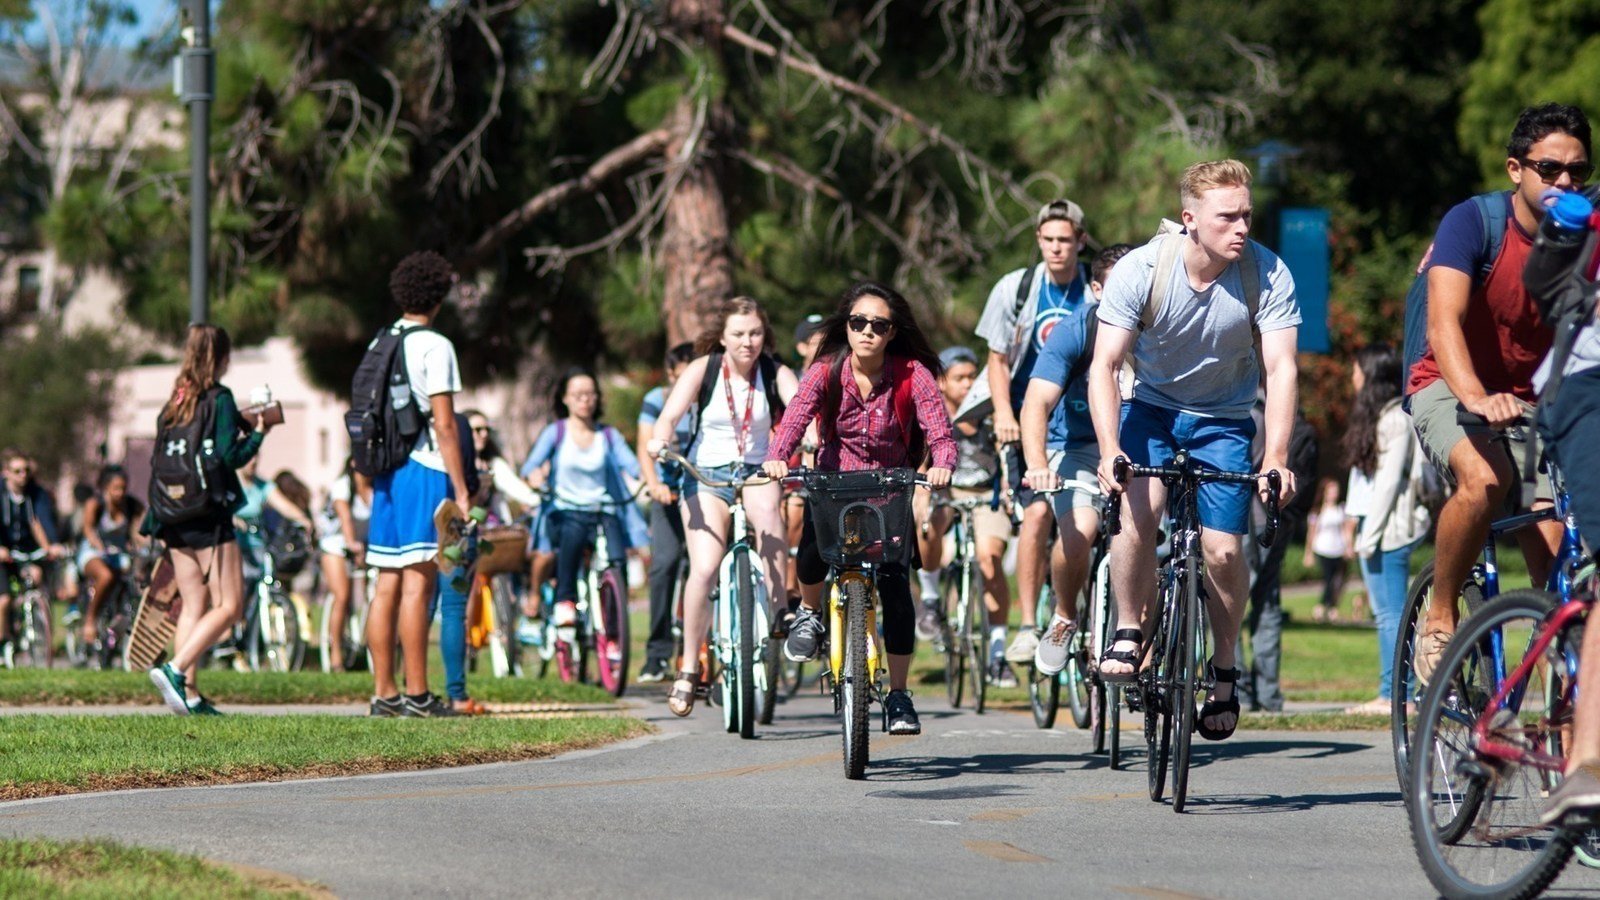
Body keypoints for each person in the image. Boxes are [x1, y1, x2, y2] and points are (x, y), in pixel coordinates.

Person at [1089, 159, 1301, 742]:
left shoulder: (1267, 273)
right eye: (1227, 217)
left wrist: (1276, 456)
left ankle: (1224, 667)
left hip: (1225, 419)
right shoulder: (1141, 270)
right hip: (1151, 408)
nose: (1242, 228)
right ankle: (1128, 630)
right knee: (1139, 513)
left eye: (1247, 215)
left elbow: (1282, 368)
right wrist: (1109, 449)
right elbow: (1105, 365)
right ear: (1189, 219)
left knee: (1224, 551)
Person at [1407, 104, 1590, 681]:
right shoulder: (1472, 223)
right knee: (1487, 479)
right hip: (1448, 381)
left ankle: (1560, 702)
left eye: (1579, 171)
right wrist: (1477, 398)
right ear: (1516, 169)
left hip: (1537, 400)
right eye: (1550, 169)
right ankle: (1440, 616)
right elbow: (1444, 324)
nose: (1565, 182)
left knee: (1562, 554)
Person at [765, 281, 956, 735]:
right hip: (834, 485)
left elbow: (940, 431)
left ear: (892, 332)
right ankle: (809, 613)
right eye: (858, 322)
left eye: (879, 325)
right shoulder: (825, 371)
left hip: (890, 488)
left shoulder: (912, 374)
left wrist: (943, 465)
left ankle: (900, 695)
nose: (867, 331)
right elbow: (794, 419)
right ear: (846, 327)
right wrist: (777, 456)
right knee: (812, 549)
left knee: (895, 587)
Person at [645, 298, 798, 717]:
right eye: (738, 334)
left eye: (755, 333)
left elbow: (801, 408)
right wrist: (660, 440)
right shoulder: (704, 368)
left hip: (759, 468)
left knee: (769, 519)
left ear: (765, 335)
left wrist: (813, 433)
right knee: (705, 566)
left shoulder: (775, 371)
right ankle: (689, 668)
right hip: (705, 473)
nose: (748, 342)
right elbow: (669, 416)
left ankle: (779, 612)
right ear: (723, 337)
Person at [970, 199, 1092, 671]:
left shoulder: (1094, 289)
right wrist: (1004, 414)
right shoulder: (1016, 289)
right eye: (1049, 240)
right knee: (1036, 513)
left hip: (1082, 418)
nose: (1056, 248)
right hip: (1029, 417)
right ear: (1038, 240)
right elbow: (997, 359)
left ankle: (1088, 607)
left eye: (1065, 240)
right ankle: (1026, 626)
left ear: (1081, 241)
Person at [145, 324, 278, 714]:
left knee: (193, 604)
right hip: (208, 514)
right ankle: (175, 669)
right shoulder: (219, 398)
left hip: (171, 513)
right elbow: (229, 457)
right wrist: (260, 432)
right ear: (222, 357)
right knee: (230, 605)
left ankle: (189, 696)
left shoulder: (177, 399)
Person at [364, 251, 473, 718]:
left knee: (386, 583)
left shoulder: (382, 340)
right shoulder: (435, 345)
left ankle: (384, 694)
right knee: (418, 585)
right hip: (424, 467)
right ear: (439, 297)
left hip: (386, 471)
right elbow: (445, 425)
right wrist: (461, 489)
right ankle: (419, 694)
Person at [1022, 243, 1133, 676]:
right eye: (1119, 287)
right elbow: (1036, 403)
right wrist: (1037, 464)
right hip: (1076, 448)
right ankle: (1065, 616)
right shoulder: (1076, 330)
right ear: (1097, 290)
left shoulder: (1160, 329)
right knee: (1080, 531)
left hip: (1138, 448)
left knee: (1155, 545)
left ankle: (1140, 641)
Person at [523, 368, 648, 638]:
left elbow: (633, 465)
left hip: (603, 509)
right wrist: (534, 476)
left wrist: (650, 477)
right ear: (565, 398)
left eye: (590, 394)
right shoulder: (556, 433)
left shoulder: (608, 435)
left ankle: (614, 622)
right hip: (566, 510)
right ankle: (565, 601)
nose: (585, 400)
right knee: (573, 534)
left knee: (617, 560)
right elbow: (531, 466)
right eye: (578, 394)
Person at [1340, 344, 1430, 715]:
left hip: (1389, 530)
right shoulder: (1376, 417)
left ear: (1372, 374)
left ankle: (1396, 696)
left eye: (1357, 369)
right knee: (1386, 614)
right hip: (1374, 527)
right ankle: (1391, 692)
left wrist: (1369, 536)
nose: (1352, 376)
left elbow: (1389, 485)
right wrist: (1354, 523)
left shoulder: (1395, 419)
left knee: (1392, 615)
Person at [913, 346, 1008, 647]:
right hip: (946, 489)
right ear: (942, 382)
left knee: (989, 559)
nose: (967, 384)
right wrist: (922, 491)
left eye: (971, 377)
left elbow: (1005, 453)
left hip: (985, 492)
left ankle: (997, 651)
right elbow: (921, 456)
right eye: (959, 378)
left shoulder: (990, 411)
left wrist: (1007, 488)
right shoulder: (931, 412)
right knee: (927, 524)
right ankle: (930, 598)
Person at [635, 342, 698, 683]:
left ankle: (706, 650)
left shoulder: (710, 398)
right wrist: (654, 484)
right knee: (664, 564)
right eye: (680, 374)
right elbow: (645, 445)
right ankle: (657, 654)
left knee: (706, 569)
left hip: (703, 493)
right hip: (669, 494)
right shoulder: (656, 399)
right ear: (671, 374)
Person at [0, 449, 65, 665]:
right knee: (4, 599)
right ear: (6, 472)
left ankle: (34, 625)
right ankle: (3, 642)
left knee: (36, 579)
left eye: (26, 470)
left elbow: (41, 520)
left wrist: (51, 545)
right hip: (4, 552)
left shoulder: (36, 493)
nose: (23, 475)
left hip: (27, 550)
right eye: (17, 471)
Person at [75, 465, 146, 649]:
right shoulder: (95, 504)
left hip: (119, 552)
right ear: (106, 487)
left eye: (123, 488)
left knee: (135, 577)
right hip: (93, 551)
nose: (120, 492)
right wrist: (100, 546)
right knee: (105, 576)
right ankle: (90, 620)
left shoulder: (131, 505)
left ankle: (122, 615)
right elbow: (88, 529)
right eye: (116, 488)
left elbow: (138, 532)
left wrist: (147, 544)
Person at [316, 457, 372, 672]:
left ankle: (368, 646)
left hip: (363, 544)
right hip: (335, 543)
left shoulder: (377, 487)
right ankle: (336, 653)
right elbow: (345, 518)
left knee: (373, 594)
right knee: (342, 595)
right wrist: (352, 544)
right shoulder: (342, 486)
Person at [464, 409, 540, 523]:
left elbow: (519, 490)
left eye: (487, 430)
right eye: (478, 430)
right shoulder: (454, 468)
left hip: (489, 527)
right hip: (464, 526)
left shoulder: (494, 465)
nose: (484, 434)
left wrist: (539, 501)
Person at [1302, 478, 1351, 623]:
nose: (1334, 494)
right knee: (1329, 580)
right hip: (1322, 549)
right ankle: (1322, 607)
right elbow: (1311, 533)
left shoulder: (1341, 509)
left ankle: (1332, 608)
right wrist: (1308, 553)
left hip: (1338, 549)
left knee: (1338, 581)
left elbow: (1345, 530)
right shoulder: (1317, 512)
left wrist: (1348, 546)